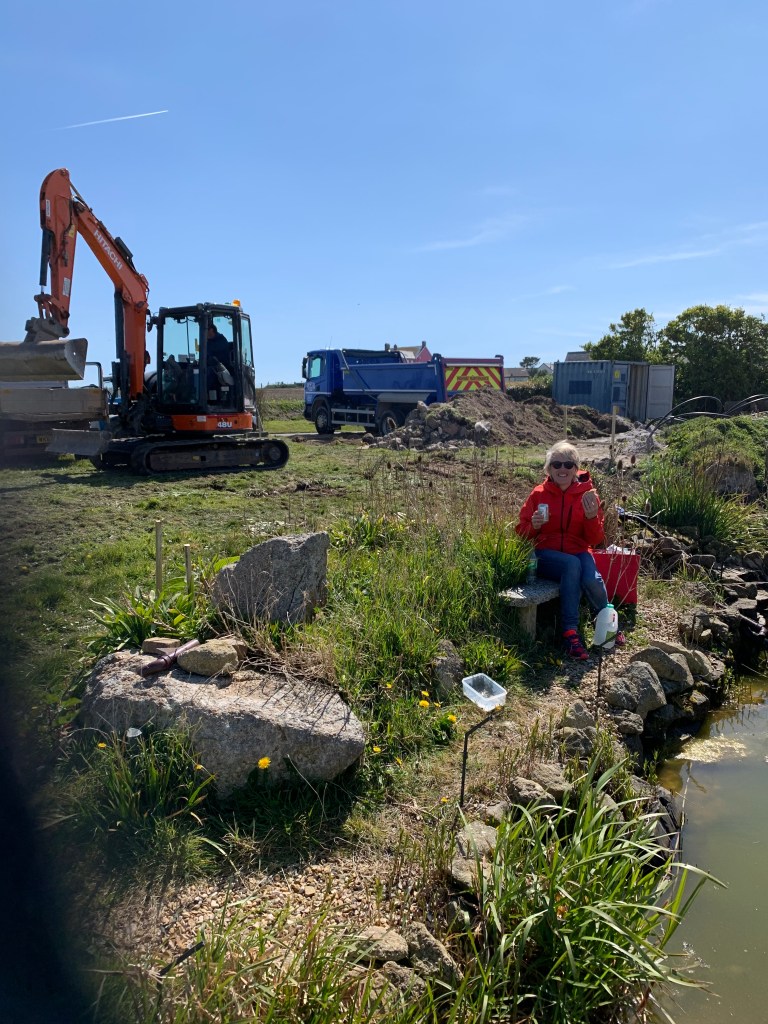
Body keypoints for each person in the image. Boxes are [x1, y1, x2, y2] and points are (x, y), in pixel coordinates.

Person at [515, 440, 625, 660]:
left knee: (592, 578)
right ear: (548, 469)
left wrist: (592, 517)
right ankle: (570, 633)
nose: (562, 469)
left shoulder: (588, 495)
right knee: (571, 564)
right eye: (556, 464)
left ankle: (605, 622)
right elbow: (520, 533)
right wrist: (533, 526)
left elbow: (595, 539)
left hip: (578, 549)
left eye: (568, 464)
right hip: (546, 554)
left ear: (576, 469)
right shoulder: (538, 495)